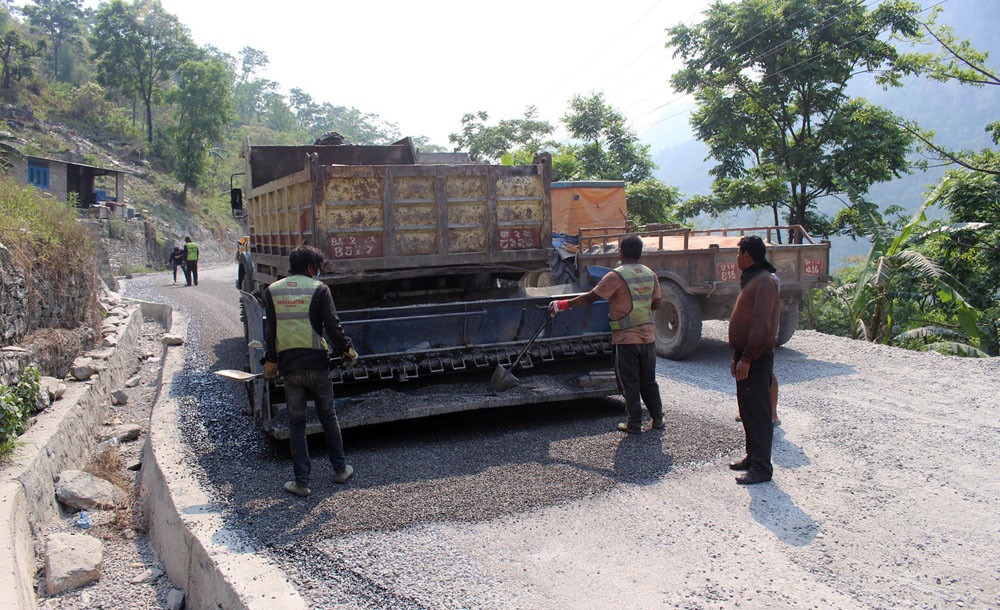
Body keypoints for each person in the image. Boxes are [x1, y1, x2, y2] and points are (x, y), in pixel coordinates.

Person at [263, 245, 358, 497]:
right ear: (309, 267)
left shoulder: (272, 291)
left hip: (290, 368)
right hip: (318, 366)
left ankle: (301, 483)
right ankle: (340, 470)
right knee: (328, 417)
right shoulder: (320, 289)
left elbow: (271, 332)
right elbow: (333, 326)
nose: (318, 271)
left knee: (296, 424)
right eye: (317, 267)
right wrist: (347, 349)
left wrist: (270, 363)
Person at [549, 234, 664, 434]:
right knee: (649, 380)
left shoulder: (615, 276)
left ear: (621, 252)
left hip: (626, 339)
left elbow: (590, 298)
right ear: (639, 253)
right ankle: (657, 419)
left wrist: (563, 304)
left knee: (629, 382)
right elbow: (656, 304)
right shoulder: (650, 274)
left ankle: (634, 423)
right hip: (648, 338)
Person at [727, 235, 780, 485]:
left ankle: (762, 468)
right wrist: (737, 356)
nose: (737, 258)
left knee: (758, 412)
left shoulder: (764, 282)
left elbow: (761, 326)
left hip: (757, 357)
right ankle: (752, 456)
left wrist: (747, 358)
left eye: (739, 254)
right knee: (747, 409)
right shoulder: (753, 278)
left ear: (747, 256)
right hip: (746, 354)